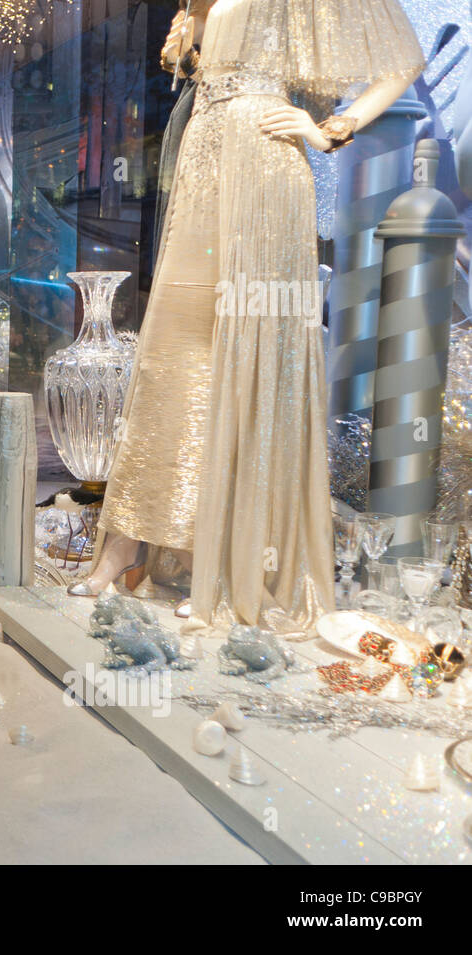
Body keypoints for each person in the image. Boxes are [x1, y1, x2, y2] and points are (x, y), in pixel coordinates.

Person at [77, 0, 424, 638]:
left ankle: (230, 564)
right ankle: (129, 541)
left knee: (248, 353)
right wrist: (190, 47)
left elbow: (400, 62)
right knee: (174, 350)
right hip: (203, 161)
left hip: (264, 172)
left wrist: (332, 128)